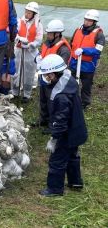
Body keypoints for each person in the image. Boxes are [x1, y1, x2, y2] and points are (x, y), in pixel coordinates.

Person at [38, 54, 87, 197]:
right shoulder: (68, 81)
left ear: (53, 74)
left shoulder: (61, 96)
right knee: (72, 156)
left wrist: (54, 139)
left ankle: (54, 189)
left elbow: (60, 120)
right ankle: (75, 182)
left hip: (67, 133)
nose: (45, 78)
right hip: (77, 129)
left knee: (57, 160)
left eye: (46, 75)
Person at [36, 19, 71, 130]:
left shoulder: (63, 49)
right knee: (43, 100)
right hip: (44, 77)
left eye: (50, 34)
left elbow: (61, 67)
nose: (48, 35)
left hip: (53, 80)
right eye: (48, 33)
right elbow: (41, 54)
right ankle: (43, 120)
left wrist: (50, 76)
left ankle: (52, 125)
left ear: (57, 34)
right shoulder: (47, 43)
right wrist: (37, 59)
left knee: (52, 103)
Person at [69, 9, 105, 109]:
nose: (86, 22)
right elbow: (71, 43)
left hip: (88, 66)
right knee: (71, 82)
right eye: (86, 19)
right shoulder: (77, 30)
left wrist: (84, 50)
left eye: (89, 20)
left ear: (94, 22)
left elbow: (98, 50)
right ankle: (71, 98)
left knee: (86, 86)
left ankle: (84, 103)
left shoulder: (99, 34)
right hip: (74, 62)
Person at [12, 2, 43, 103]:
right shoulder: (20, 21)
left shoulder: (38, 25)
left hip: (30, 53)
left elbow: (39, 40)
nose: (27, 14)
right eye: (26, 12)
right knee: (16, 71)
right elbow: (15, 33)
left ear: (34, 14)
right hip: (19, 50)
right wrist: (19, 39)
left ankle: (26, 94)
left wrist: (30, 44)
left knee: (29, 73)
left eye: (29, 13)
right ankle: (15, 92)